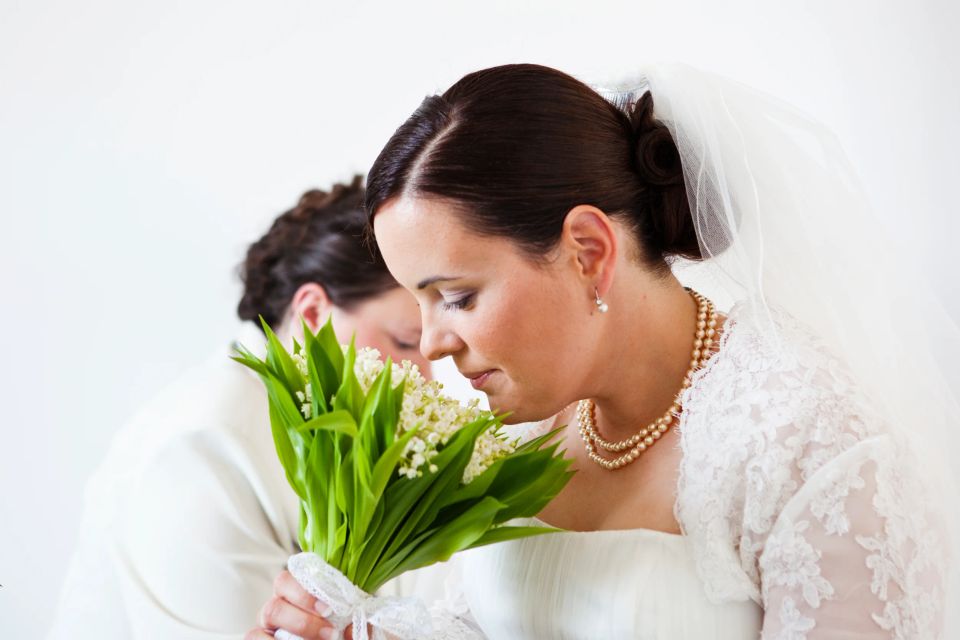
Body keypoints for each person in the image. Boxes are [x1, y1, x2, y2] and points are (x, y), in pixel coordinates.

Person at [251, 65, 960, 639]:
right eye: (418, 304)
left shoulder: (806, 440)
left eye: (459, 297)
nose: (433, 344)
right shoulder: (516, 431)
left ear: (588, 251)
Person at [48, 177, 435, 638]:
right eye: (407, 342)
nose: (424, 376)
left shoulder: (327, 424)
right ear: (312, 313)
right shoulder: (204, 447)